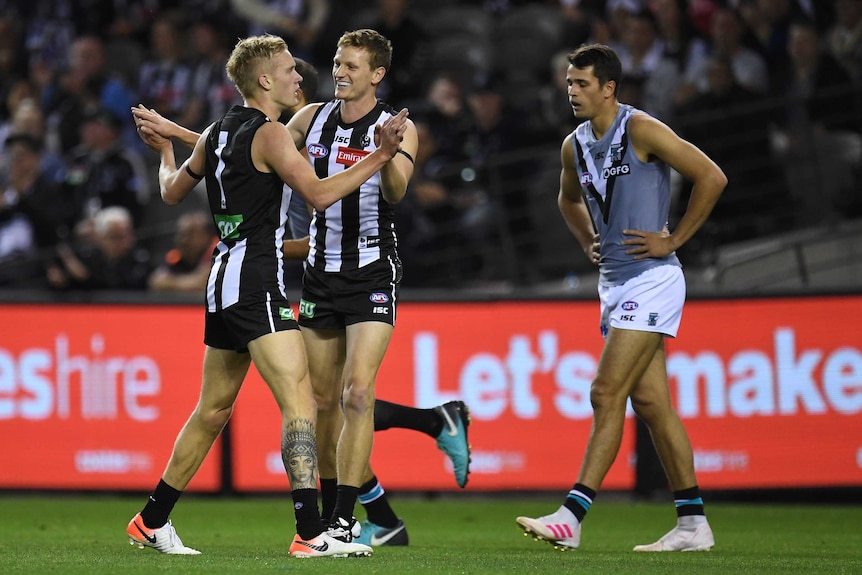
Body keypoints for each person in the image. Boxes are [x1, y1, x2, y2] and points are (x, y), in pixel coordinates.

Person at [134, 47, 470, 548]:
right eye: (291, 70)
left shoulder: (219, 132)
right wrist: (380, 155)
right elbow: (315, 194)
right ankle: (313, 533)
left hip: (224, 280)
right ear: (266, 80)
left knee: (213, 411)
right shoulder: (273, 130)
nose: (304, 77)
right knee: (303, 405)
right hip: (258, 283)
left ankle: (151, 520)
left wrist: (167, 146)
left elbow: (170, 191)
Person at [515, 43, 726, 552]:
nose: (572, 91)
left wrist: (674, 239)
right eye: (569, 83)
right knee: (653, 405)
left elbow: (712, 176)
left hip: (653, 278)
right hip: (613, 284)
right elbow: (567, 198)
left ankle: (572, 515)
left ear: (609, 88)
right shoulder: (574, 145)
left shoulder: (641, 129)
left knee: (605, 393)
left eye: (582, 83)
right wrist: (588, 236)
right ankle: (693, 524)